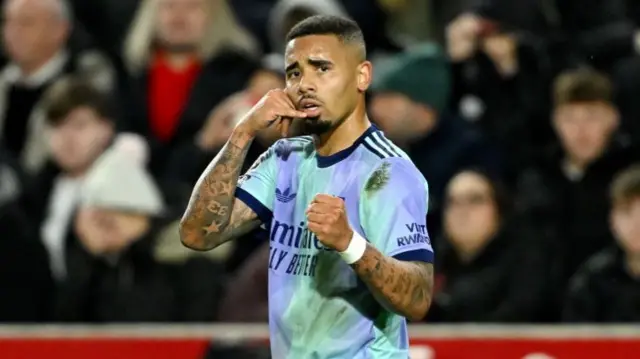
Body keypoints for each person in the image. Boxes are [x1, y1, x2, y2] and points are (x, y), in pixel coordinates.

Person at [179, 15, 433, 359]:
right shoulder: (286, 159)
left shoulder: (387, 171)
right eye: (294, 72)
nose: (304, 84)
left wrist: (350, 243)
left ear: (362, 76)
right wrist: (242, 133)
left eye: (321, 68)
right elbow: (197, 235)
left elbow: (417, 299)